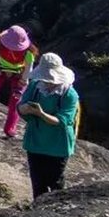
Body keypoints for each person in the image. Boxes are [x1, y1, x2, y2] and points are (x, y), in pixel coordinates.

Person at [18, 54, 80, 199]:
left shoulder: (69, 94)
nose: (47, 82)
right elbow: (20, 107)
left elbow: (62, 121)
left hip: (58, 146)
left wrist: (40, 113)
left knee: (56, 183)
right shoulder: (35, 86)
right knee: (38, 184)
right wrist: (24, 108)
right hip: (35, 143)